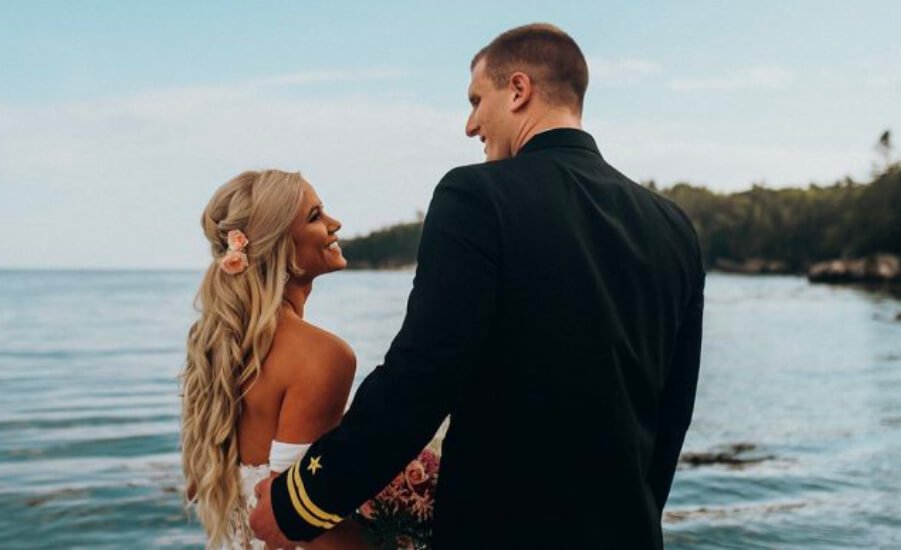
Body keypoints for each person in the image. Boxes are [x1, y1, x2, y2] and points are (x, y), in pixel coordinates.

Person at [251, 23, 705, 549]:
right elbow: (674, 416)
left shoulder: (477, 197)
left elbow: (420, 378)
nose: (470, 126)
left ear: (518, 90)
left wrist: (300, 502)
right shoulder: (673, 227)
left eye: (476, 100)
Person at [180, 170, 368, 548]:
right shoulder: (322, 357)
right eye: (315, 216)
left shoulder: (215, 342)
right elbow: (303, 529)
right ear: (278, 246)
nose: (335, 224)